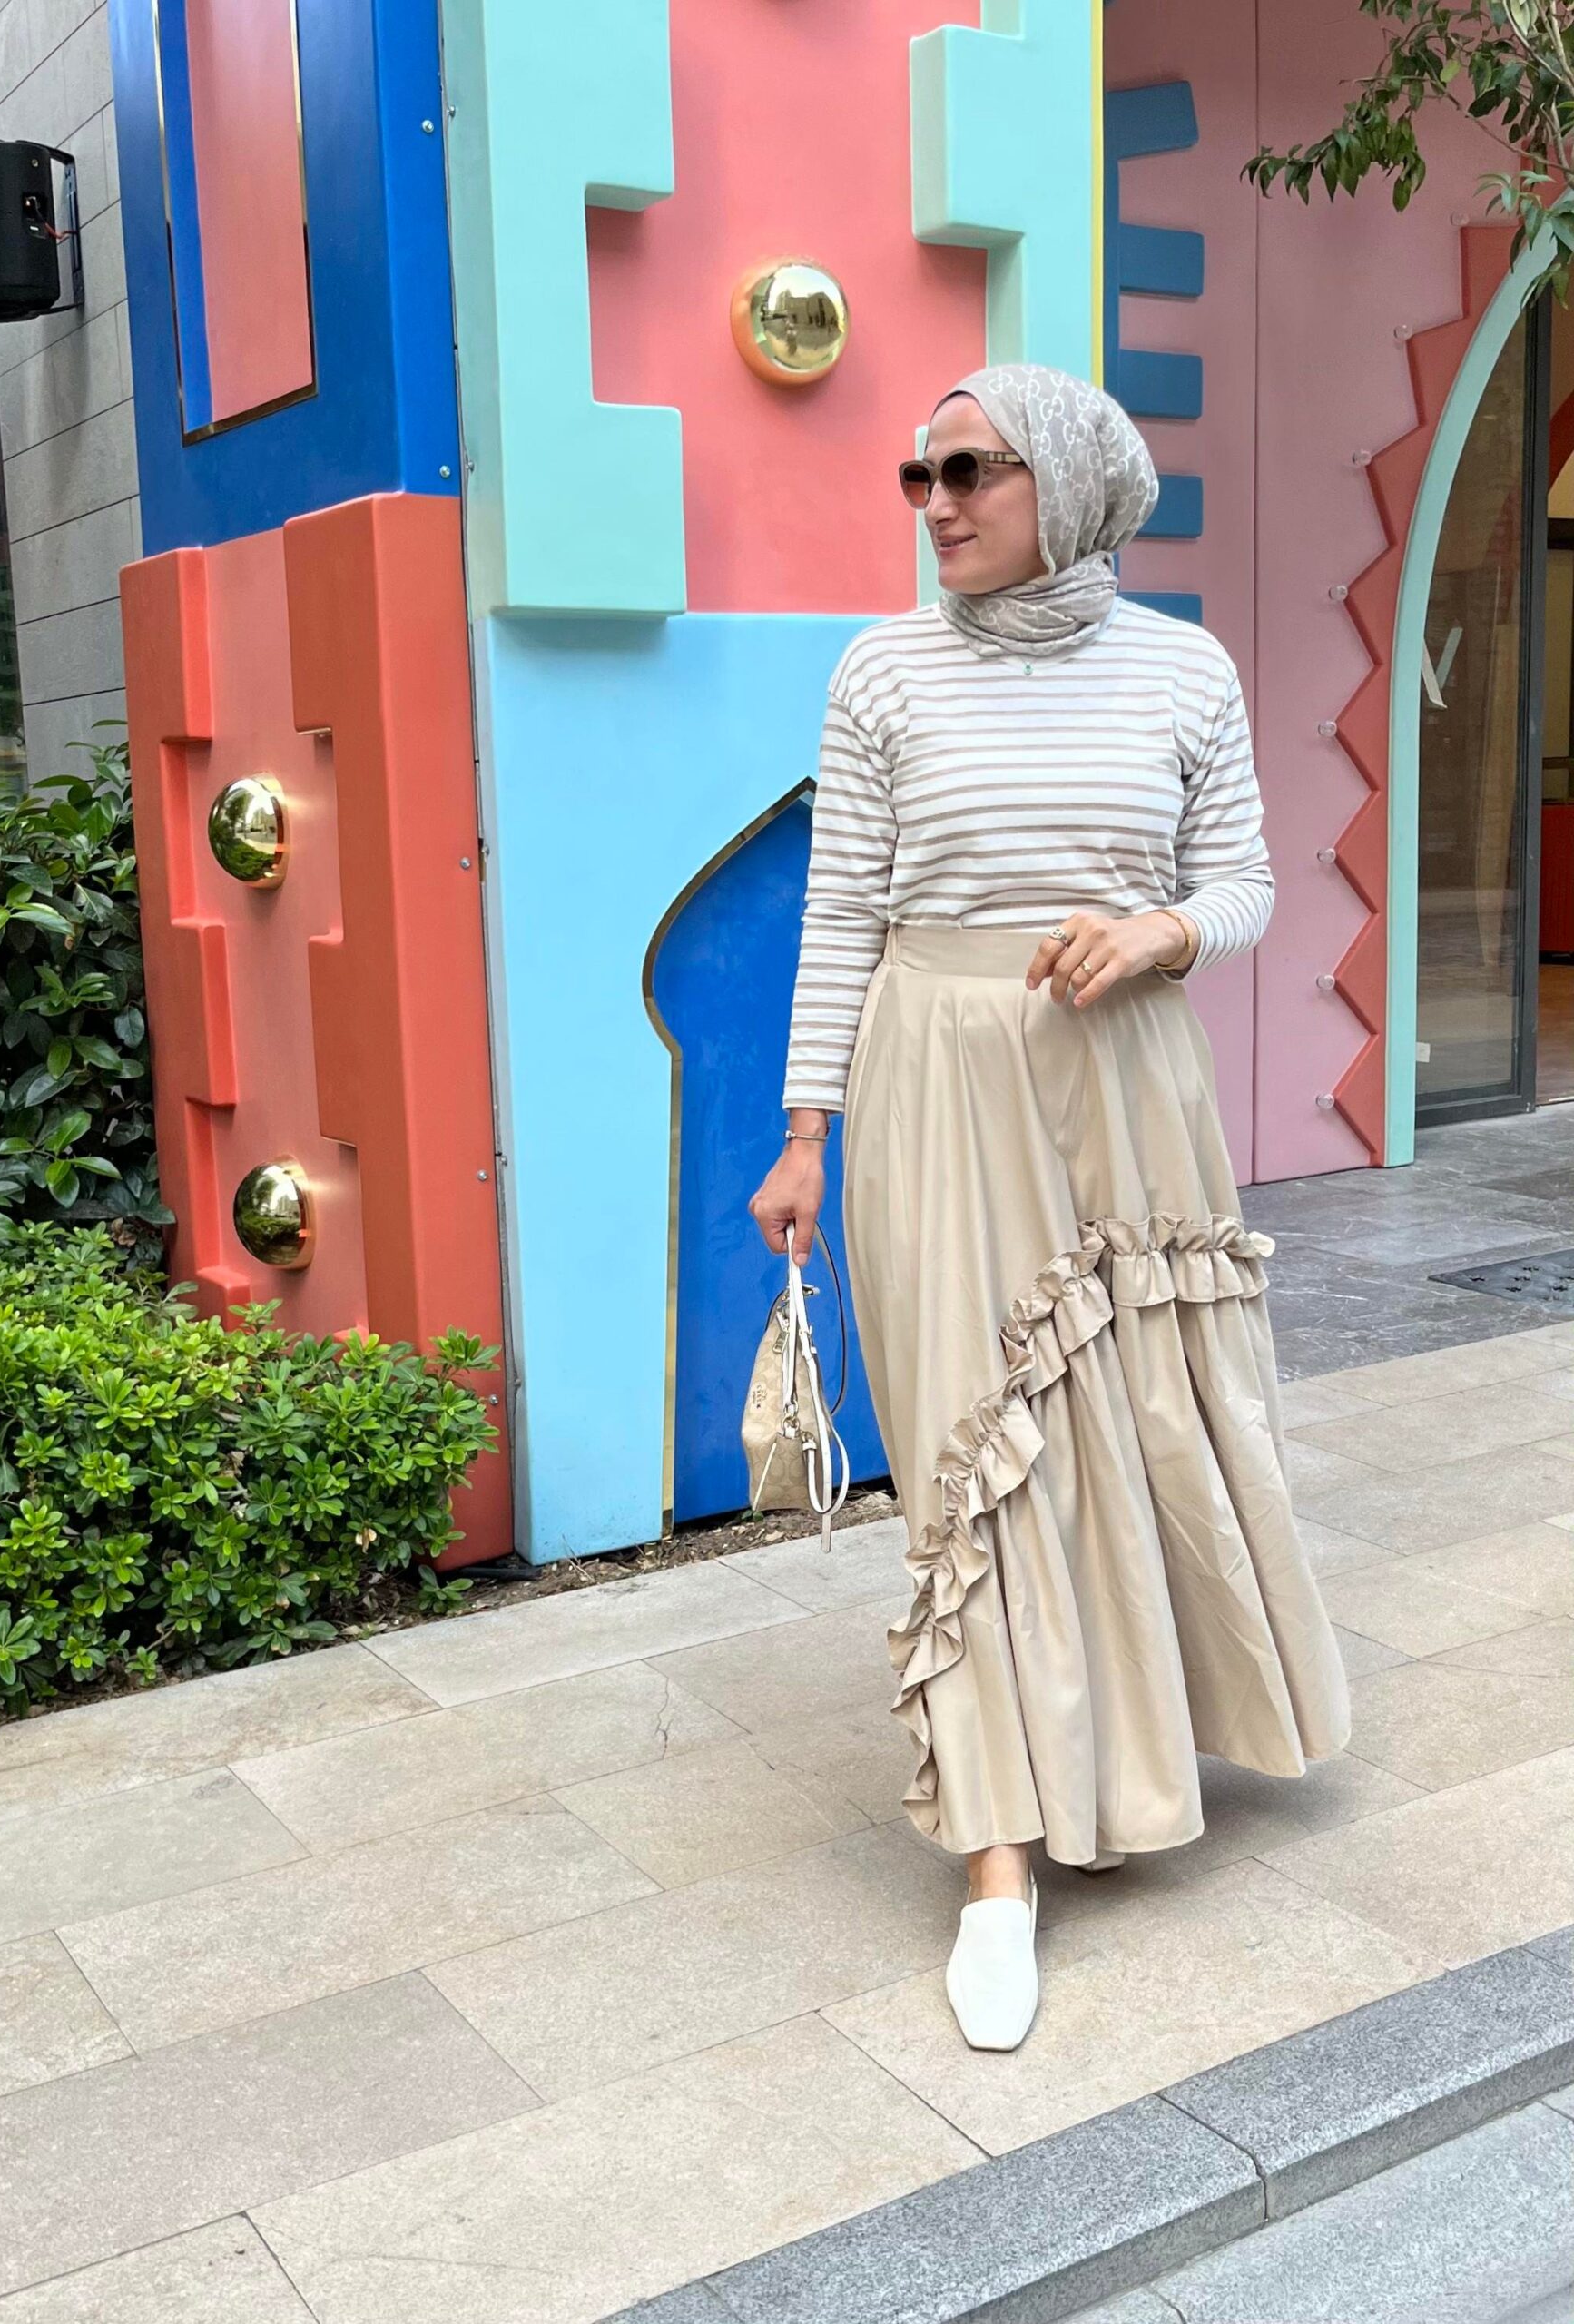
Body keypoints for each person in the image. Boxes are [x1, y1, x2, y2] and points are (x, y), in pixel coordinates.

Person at [750, 362, 1351, 2054]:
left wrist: (1161, 931)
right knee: (975, 1442)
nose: (936, 504)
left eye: (971, 471)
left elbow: (1244, 880)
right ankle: (999, 1861)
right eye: (920, 476)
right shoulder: (881, 671)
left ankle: (1144, 1751)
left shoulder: (1185, 668)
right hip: (938, 1081)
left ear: (1072, 484)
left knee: (1145, 1418)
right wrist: (805, 1133)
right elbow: (842, 913)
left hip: (1128, 1079)